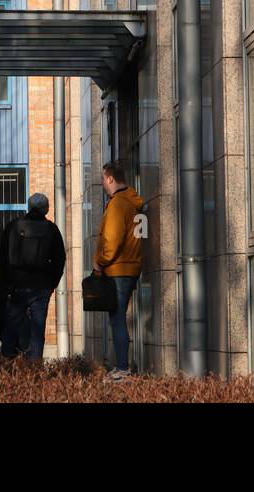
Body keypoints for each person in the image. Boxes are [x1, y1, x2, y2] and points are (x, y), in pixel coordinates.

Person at [0, 193, 65, 362]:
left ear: (29, 206)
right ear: (46, 209)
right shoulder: (51, 229)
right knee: (37, 330)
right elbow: (60, 258)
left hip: (16, 285)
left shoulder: (13, 226)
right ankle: (35, 368)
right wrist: (52, 284)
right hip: (41, 287)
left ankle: (5, 364)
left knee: (10, 327)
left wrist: (8, 282)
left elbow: (1, 256)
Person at [94, 162, 143, 381]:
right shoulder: (132, 202)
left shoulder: (117, 205)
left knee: (117, 319)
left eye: (104, 179)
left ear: (111, 179)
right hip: (129, 267)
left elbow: (112, 240)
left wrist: (100, 262)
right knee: (118, 317)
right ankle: (121, 366)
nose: (103, 183)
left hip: (117, 269)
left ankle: (123, 369)